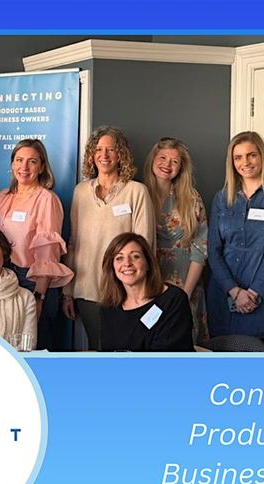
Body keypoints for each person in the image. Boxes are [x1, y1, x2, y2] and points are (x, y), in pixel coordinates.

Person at [63, 126, 155, 349]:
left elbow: (145, 245)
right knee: (97, 349)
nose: (104, 155)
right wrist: (67, 292)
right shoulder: (80, 192)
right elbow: (74, 242)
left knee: (123, 350)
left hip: (124, 289)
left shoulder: (136, 191)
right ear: (91, 155)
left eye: (111, 149)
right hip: (86, 288)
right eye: (98, 149)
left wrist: (140, 289)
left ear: (121, 154)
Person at [206, 131, 264, 342]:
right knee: (218, 355)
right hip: (223, 293)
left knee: (254, 355)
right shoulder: (222, 198)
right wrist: (233, 290)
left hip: (260, 296)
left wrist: (255, 292)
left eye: (252, 155)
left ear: (262, 157)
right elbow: (213, 250)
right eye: (238, 157)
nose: (245, 162)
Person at [0, 139, 72, 349]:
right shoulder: (2, 197)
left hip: (32, 283)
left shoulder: (46, 199)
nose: (24, 167)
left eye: (32, 161)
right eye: (19, 160)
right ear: (12, 164)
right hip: (4, 281)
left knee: (35, 348)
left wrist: (39, 297)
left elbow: (48, 253)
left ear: (42, 167)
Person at [143, 137, 208, 344]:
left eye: (174, 161)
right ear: (153, 160)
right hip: (146, 282)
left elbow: (200, 249)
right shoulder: (138, 193)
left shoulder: (191, 198)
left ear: (181, 168)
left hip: (185, 282)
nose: (167, 164)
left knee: (183, 341)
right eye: (162, 157)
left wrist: (184, 295)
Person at [97, 233, 194, 352]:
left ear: (148, 263)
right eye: (119, 258)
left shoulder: (173, 300)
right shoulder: (108, 307)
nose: (127, 263)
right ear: (112, 267)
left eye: (135, 256)